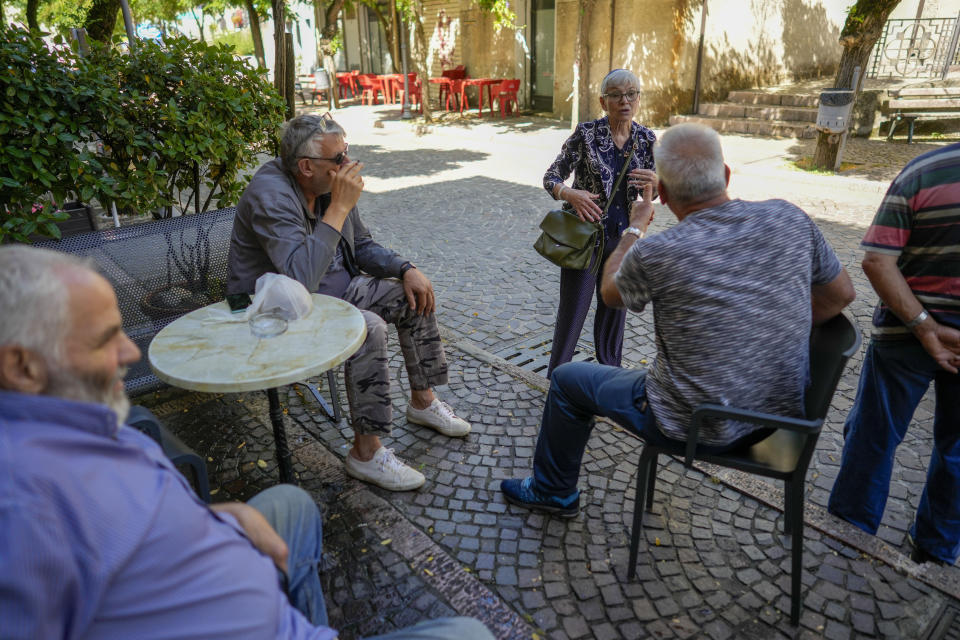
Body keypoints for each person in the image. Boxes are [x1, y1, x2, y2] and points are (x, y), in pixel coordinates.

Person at [0, 245, 494, 640]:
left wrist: (213, 518)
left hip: (208, 557)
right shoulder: (22, 508)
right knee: (471, 633)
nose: (130, 351)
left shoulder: (78, 419)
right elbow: (302, 273)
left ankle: (308, 615)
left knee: (291, 503)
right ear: (22, 366)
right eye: (104, 340)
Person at [502, 123, 855, 517]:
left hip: (692, 424)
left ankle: (554, 492)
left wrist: (635, 227)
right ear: (725, 175)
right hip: (782, 426)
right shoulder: (790, 218)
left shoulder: (660, 252)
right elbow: (841, 294)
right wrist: (767, 331)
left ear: (664, 196)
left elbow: (610, 293)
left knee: (567, 380)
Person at [227, 113, 470, 492]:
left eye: (347, 152)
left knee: (413, 295)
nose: (349, 165)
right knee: (367, 327)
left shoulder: (329, 185)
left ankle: (423, 402)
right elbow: (299, 280)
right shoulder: (270, 195)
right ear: (306, 167)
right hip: (275, 311)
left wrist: (405, 268)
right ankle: (366, 453)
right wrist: (338, 208)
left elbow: (362, 246)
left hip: (337, 292)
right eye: (339, 158)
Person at [828, 143, 960, 567]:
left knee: (874, 434)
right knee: (957, 448)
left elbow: (877, 261)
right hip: (913, 335)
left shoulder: (925, 171)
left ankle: (850, 533)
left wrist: (924, 326)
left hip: (905, 334)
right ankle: (936, 549)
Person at [541, 68, 658, 375]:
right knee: (573, 313)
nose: (625, 101)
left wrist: (658, 182)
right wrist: (570, 194)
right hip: (586, 239)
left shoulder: (646, 140)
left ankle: (609, 378)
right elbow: (551, 177)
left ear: (638, 99)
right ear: (603, 101)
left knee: (614, 317)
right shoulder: (586, 134)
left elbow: (653, 192)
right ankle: (558, 379)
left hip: (622, 241)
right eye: (617, 95)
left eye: (631, 94)